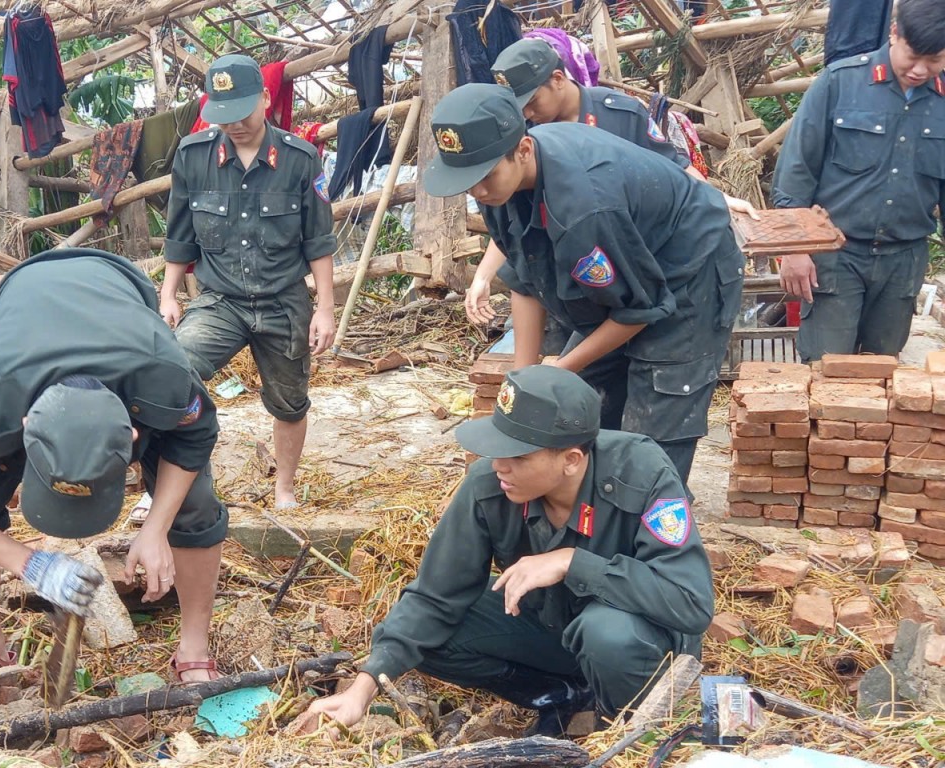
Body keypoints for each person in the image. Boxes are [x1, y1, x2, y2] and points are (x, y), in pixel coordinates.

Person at [301, 366, 713, 737]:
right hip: (553, 628)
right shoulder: (490, 485)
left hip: (639, 644)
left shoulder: (642, 473)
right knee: (426, 632)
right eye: (496, 448)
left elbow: (690, 604)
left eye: (517, 455)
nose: (499, 465)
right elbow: (433, 598)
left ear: (571, 460)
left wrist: (573, 562)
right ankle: (563, 697)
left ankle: (624, 728)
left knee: (606, 633)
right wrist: (363, 688)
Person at [0, 248, 229, 708]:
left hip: (117, 285)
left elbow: (196, 437)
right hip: (23, 296)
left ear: (133, 433)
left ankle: (194, 649)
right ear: (24, 429)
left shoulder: (163, 376)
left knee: (195, 502)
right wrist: (28, 563)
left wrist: (156, 527)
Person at [427, 84, 743, 483]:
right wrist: (525, 380)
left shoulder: (585, 206)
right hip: (626, 274)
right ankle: (596, 507)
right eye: (467, 181)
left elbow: (638, 311)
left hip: (690, 272)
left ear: (523, 149)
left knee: (652, 435)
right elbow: (526, 281)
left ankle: (648, 520)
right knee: (582, 402)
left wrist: (559, 368)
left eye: (485, 177)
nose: (477, 191)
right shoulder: (497, 188)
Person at [465, 38, 757, 329]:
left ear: (557, 80)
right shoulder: (524, 135)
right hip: (568, 276)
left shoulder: (620, 114)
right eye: (520, 109)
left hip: (635, 265)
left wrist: (718, 198)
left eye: (531, 103)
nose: (527, 113)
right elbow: (516, 219)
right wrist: (484, 276)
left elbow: (674, 169)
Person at [160, 53, 337, 510]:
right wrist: (169, 295)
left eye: (242, 112)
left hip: (283, 301)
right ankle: (181, 487)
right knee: (174, 375)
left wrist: (325, 309)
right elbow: (180, 236)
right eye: (224, 115)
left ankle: (285, 489)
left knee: (289, 401)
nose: (234, 124)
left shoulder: (300, 158)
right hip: (220, 301)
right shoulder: (193, 156)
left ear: (264, 98)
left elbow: (318, 240)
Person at [772, 0, 945, 362]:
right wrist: (794, 247)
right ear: (894, 32)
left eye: (935, 60)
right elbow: (795, 171)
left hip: (903, 260)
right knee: (826, 370)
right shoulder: (840, 82)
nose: (920, 69)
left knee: (881, 373)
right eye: (913, 56)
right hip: (837, 257)